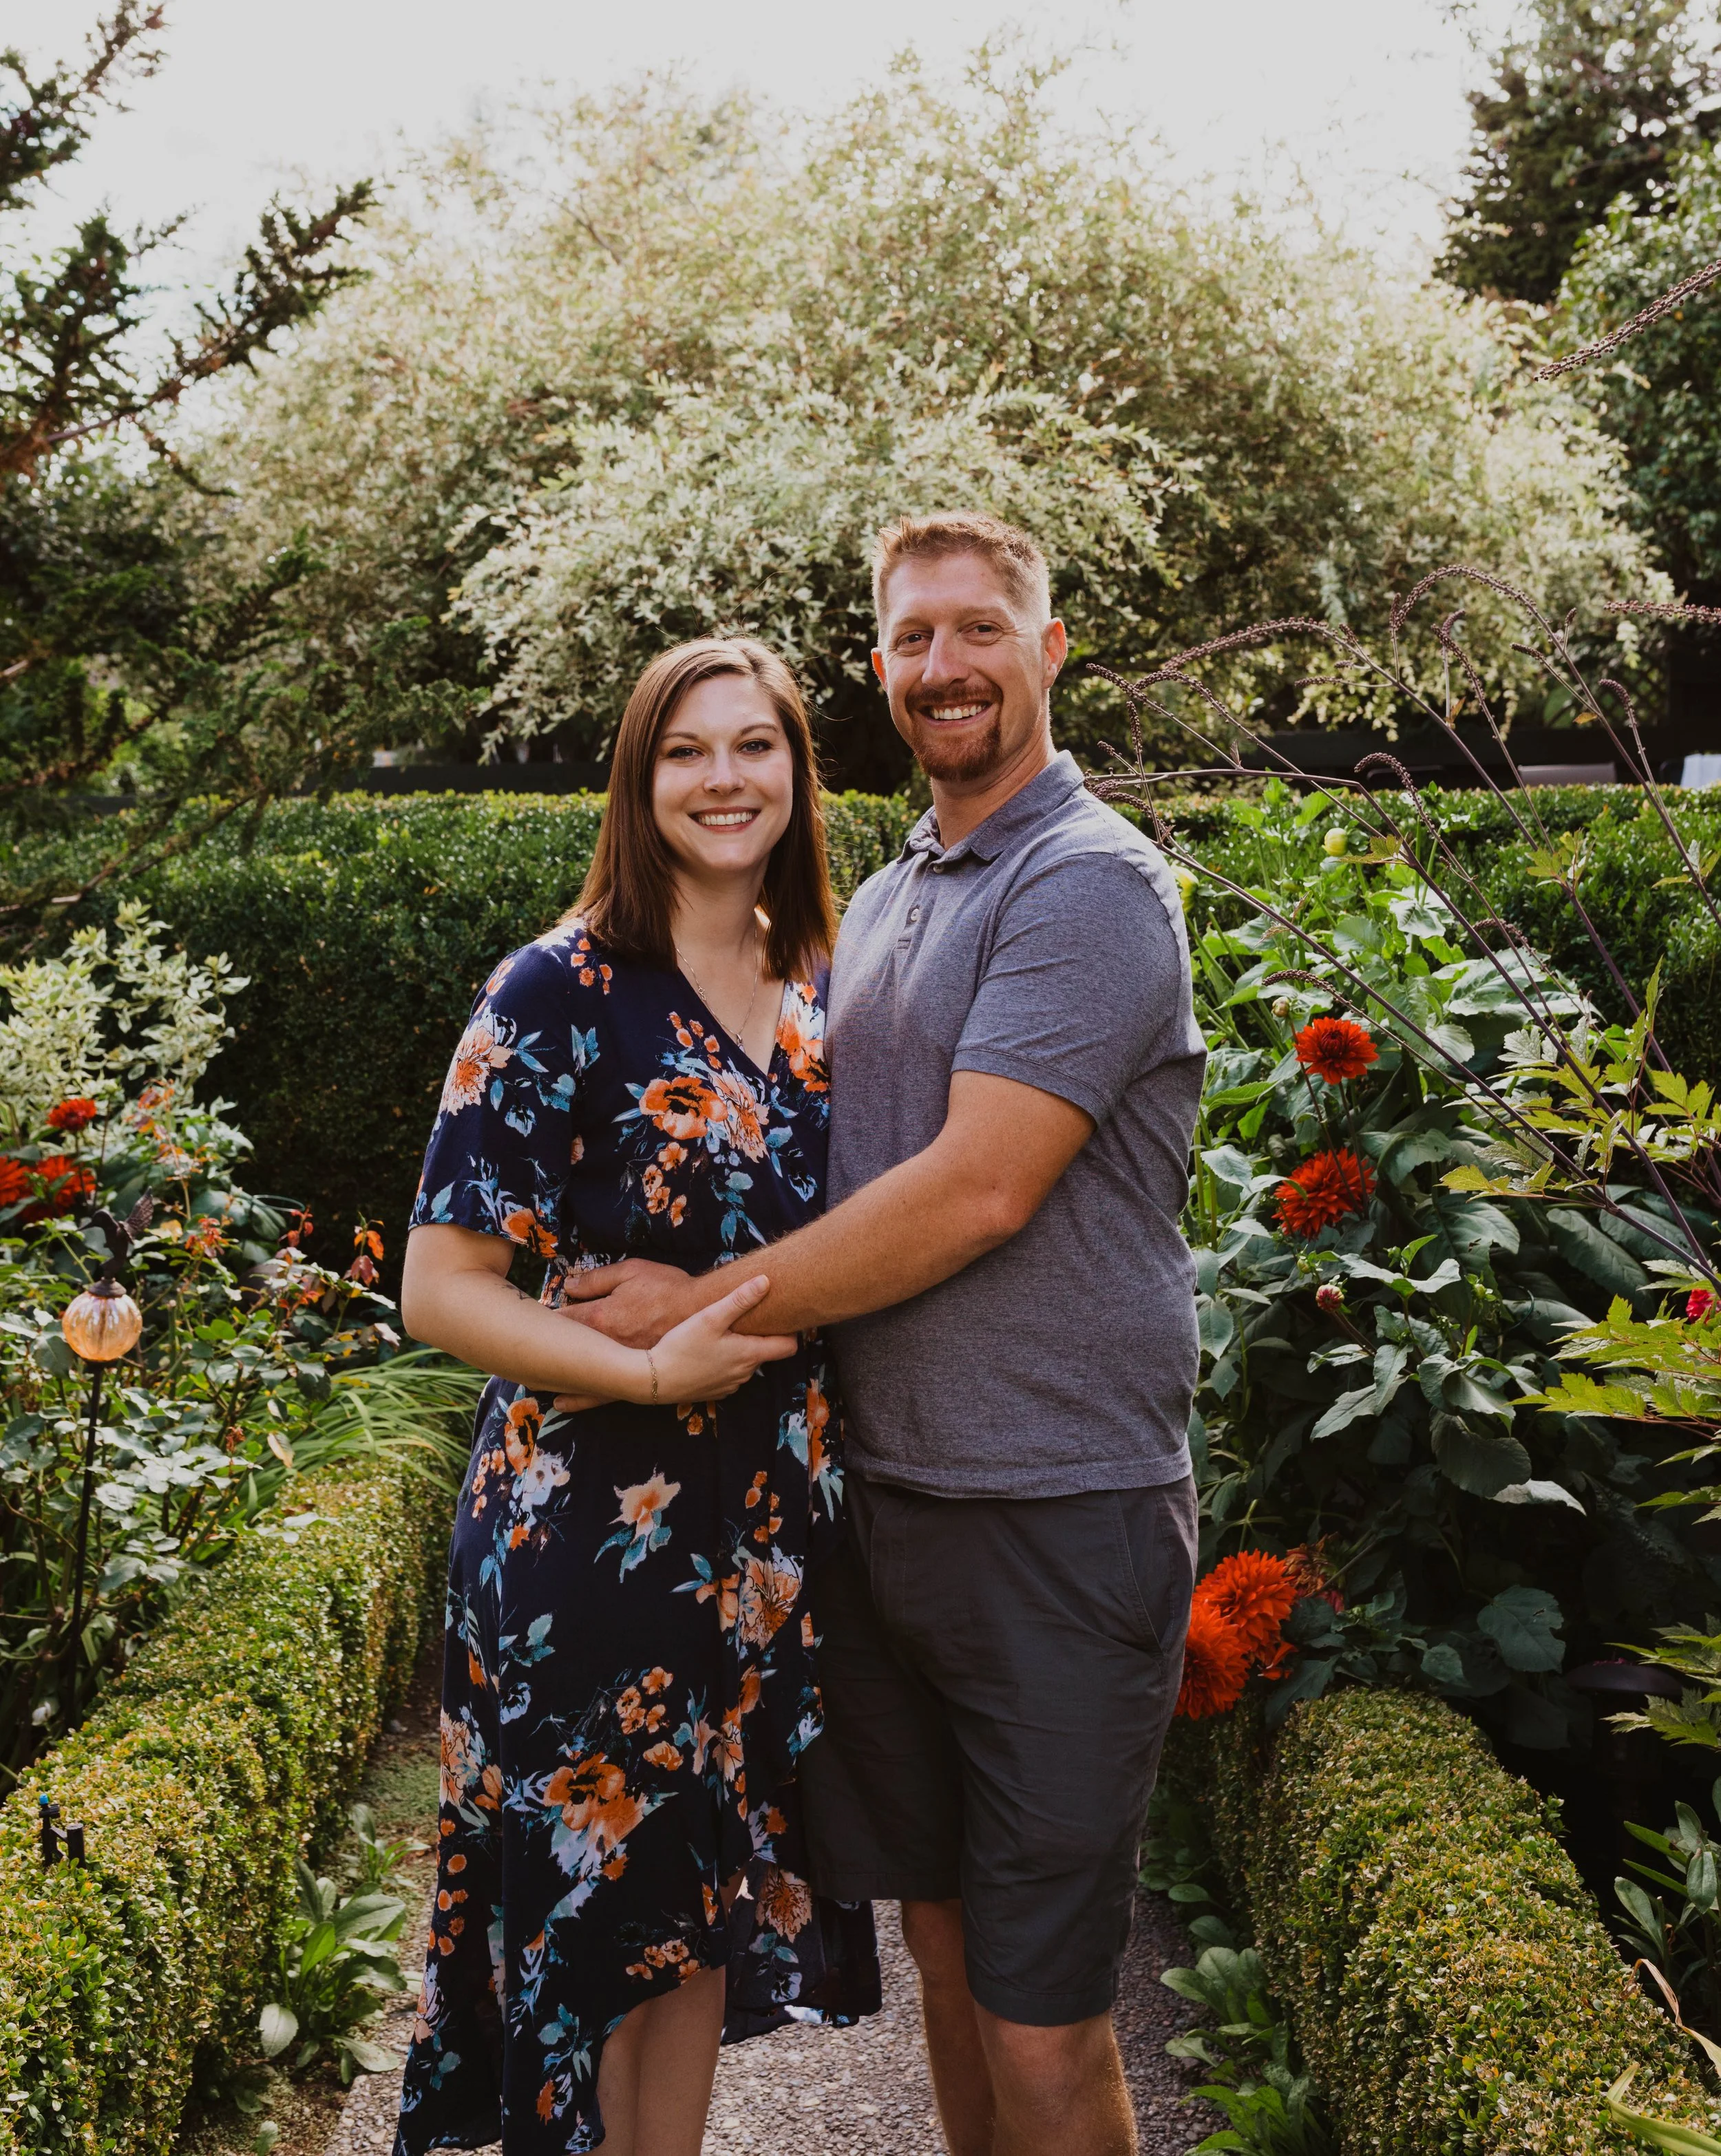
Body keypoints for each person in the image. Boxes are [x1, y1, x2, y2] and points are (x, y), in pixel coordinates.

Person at [565, 511, 1205, 2156]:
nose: (945, 667)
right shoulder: (905, 885)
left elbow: (975, 1193)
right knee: (944, 1956)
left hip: (1055, 1514)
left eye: (979, 629)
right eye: (914, 638)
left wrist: (694, 1304)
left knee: (1046, 2019)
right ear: (878, 669)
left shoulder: (1087, 886)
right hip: (889, 1515)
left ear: (1047, 648)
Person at [391, 636, 880, 2156]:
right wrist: (645, 1366)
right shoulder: (559, 990)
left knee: (689, 1926)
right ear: (636, 777)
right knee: (583, 1952)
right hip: (590, 1542)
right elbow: (441, 1286)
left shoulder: (825, 982)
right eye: (686, 751)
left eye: (755, 747)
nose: (723, 779)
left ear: (800, 774)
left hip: (763, 1546)